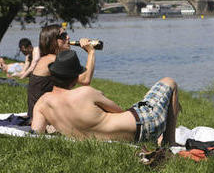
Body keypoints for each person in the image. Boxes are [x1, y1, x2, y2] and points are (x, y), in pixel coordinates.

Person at [32, 50, 180, 145]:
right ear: (75, 78)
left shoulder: (41, 104)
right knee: (169, 82)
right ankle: (170, 141)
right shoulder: (85, 93)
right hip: (145, 124)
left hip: (131, 139)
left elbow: (36, 133)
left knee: (145, 103)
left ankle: (164, 135)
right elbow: (119, 111)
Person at [27, 24, 95, 118]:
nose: (68, 37)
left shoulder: (47, 59)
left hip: (40, 115)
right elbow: (85, 80)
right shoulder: (53, 60)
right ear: (52, 41)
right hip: (44, 119)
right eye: (63, 36)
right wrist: (91, 52)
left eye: (66, 34)